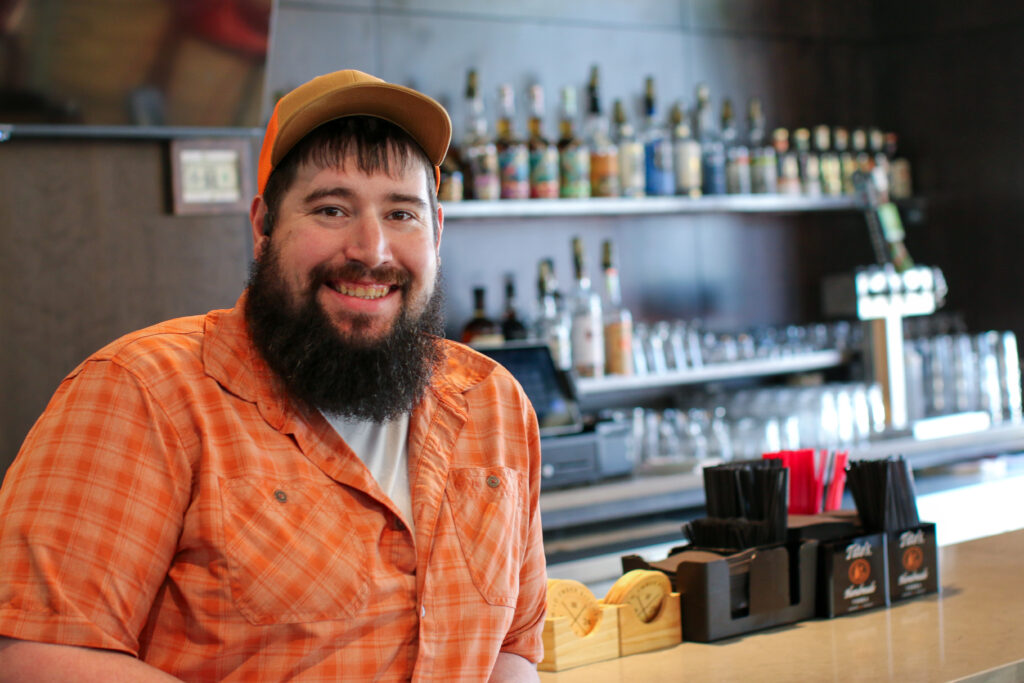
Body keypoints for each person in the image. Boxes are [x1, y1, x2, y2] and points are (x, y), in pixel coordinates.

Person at [0, 69, 546, 681]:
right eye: (332, 209)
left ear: (437, 232)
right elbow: (37, 655)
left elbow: (514, 647)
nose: (372, 249)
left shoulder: (493, 403)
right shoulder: (142, 391)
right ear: (262, 226)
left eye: (401, 214)